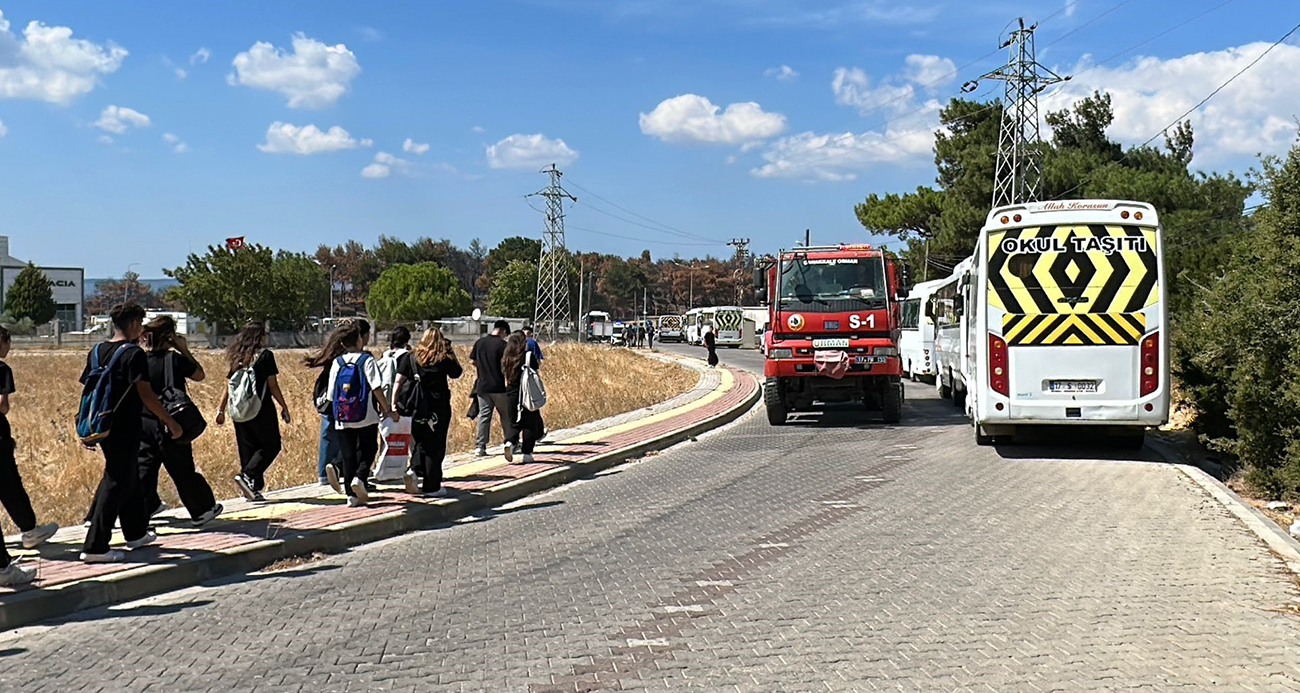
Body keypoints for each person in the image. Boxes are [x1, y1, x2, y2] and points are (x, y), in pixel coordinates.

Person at [81, 303, 181, 563]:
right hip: (125, 426)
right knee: (115, 480)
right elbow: (146, 394)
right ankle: (95, 546)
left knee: (130, 475)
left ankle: (135, 532)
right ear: (135, 323)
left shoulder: (97, 351)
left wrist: (87, 425)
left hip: (102, 423)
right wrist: (170, 421)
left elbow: (88, 389)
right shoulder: (133, 353)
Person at [138, 316, 222, 526]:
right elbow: (199, 375)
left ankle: (140, 513)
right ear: (170, 336)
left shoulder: (139, 360)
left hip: (145, 422)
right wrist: (184, 349)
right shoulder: (174, 359)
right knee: (183, 469)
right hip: (172, 422)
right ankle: (201, 510)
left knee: (144, 470)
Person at [0, 326, 58, 585]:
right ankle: (6, 565)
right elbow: (2, 406)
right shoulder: (2, 370)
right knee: (12, 487)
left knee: (11, 489)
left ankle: (28, 530)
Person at [321, 327, 398, 507]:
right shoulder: (367, 360)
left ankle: (350, 495)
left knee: (348, 455)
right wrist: (386, 409)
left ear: (342, 344)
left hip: (343, 416)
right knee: (369, 448)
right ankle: (360, 477)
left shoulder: (337, 362)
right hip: (366, 414)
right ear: (359, 340)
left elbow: (331, 394)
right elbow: (376, 386)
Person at [216, 322, 290, 502]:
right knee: (271, 445)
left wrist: (221, 409)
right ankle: (247, 476)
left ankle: (252, 489)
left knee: (247, 448)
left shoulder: (238, 357)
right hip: (261, 409)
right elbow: (273, 385)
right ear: (259, 337)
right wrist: (284, 406)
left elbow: (229, 385)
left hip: (239, 410)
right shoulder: (265, 356)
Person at [393, 327, 462, 497]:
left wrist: (393, 403)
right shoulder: (443, 358)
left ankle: (414, 471)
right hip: (438, 405)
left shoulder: (410, 357)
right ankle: (432, 486)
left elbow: (398, 381)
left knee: (419, 441)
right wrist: (449, 351)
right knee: (435, 444)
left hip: (416, 405)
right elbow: (457, 373)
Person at [305, 324, 353, 486]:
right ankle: (328, 472)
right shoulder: (341, 359)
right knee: (334, 434)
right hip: (335, 399)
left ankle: (326, 472)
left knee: (328, 434)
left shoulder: (331, 357)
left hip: (326, 399)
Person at [470, 319, 514, 460]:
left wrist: (483, 369)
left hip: (482, 386)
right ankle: (509, 441)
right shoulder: (502, 345)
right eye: (505, 334)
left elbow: (473, 361)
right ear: (503, 331)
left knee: (484, 416)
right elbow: (507, 364)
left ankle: (480, 447)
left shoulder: (480, 342)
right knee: (505, 415)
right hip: (498, 386)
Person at [503, 332, 545, 465]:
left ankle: (510, 442)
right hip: (526, 393)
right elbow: (536, 367)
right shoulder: (527, 356)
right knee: (529, 422)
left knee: (514, 421)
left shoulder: (506, 358)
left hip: (510, 393)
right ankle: (527, 453)